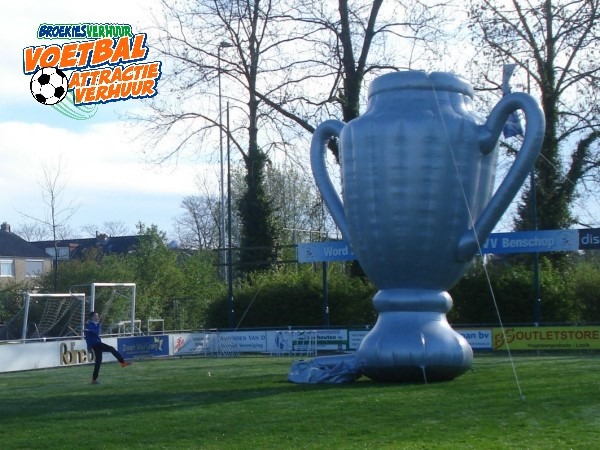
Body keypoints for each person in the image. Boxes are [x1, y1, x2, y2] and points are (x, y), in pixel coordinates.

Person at [84, 311, 131, 384]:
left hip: (97, 344)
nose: (98, 317)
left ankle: (94, 380)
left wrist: (89, 330)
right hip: (96, 344)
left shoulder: (96, 325)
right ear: (92, 317)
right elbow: (87, 338)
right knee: (111, 349)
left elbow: (97, 332)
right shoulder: (88, 325)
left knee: (98, 362)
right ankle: (122, 362)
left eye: (97, 316)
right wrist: (89, 348)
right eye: (96, 316)